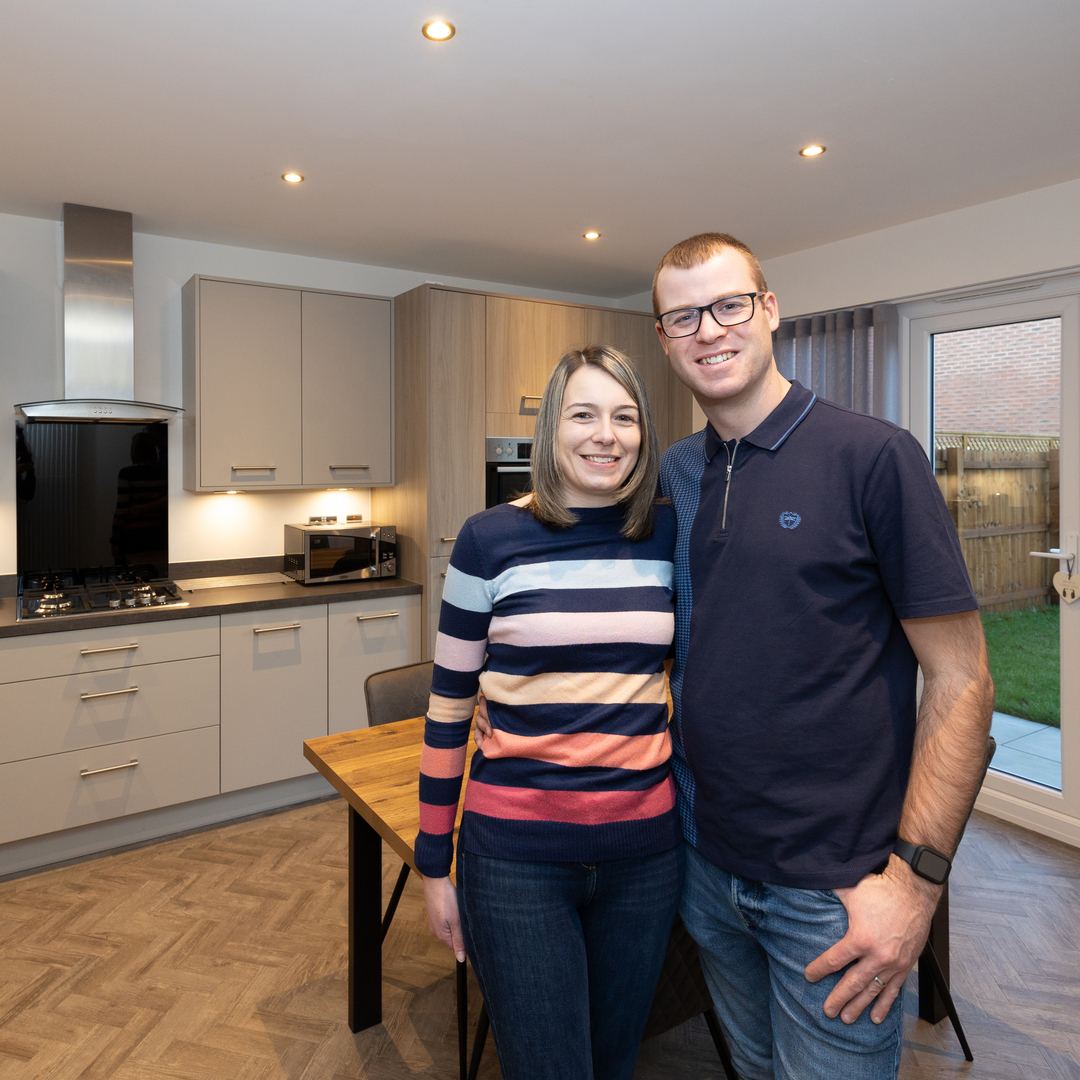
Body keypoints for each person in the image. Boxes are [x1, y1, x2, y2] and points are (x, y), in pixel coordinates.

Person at [650, 232, 995, 1080]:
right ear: (664, 339)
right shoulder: (681, 470)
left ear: (769, 311)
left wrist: (914, 883)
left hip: (832, 892)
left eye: (729, 305)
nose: (709, 331)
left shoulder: (874, 457)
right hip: (708, 863)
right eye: (683, 316)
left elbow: (962, 681)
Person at [415, 345, 683, 1080]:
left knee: (615, 1060)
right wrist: (433, 864)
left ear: (643, 432)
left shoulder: (665, 533)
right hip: (515, 860)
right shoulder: (489, 539)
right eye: (585, 414)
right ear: (551, 430)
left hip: (646, 855)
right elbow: (448, 711)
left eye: (625, 416)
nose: (607, 434)